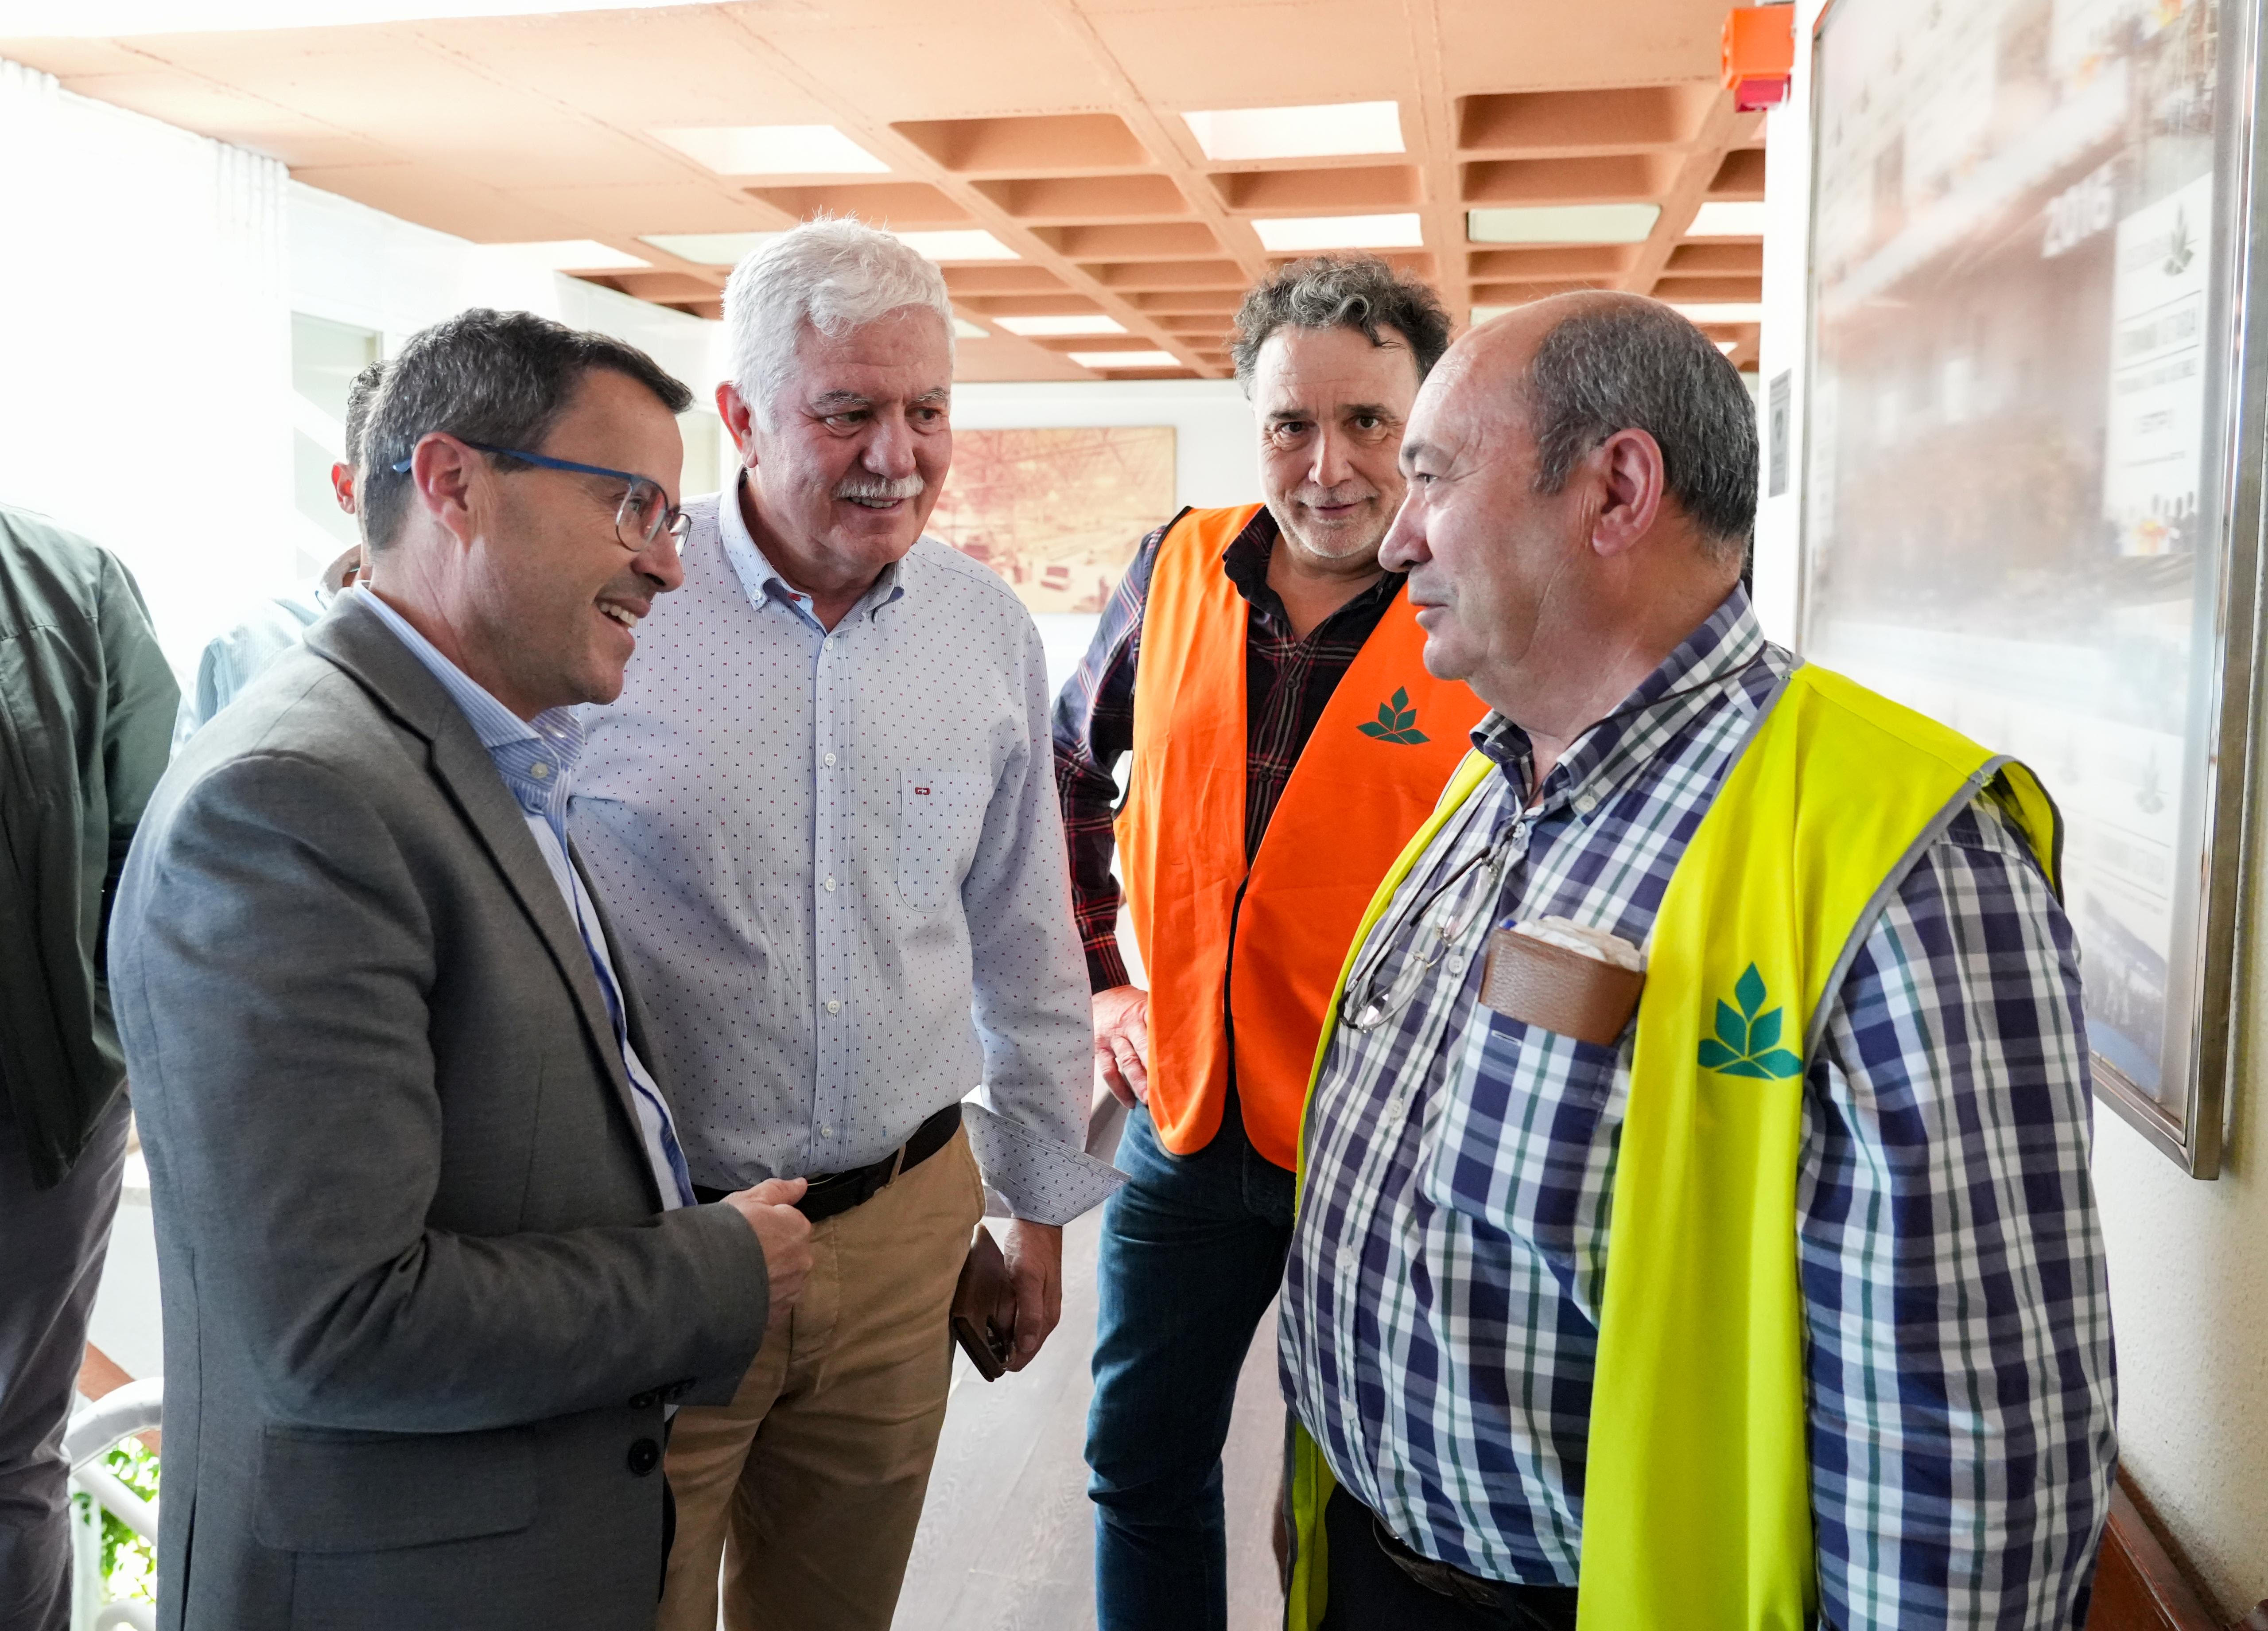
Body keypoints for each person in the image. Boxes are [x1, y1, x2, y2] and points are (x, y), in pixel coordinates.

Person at [1278, 294, 2117, 1631]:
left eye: (1432, 476)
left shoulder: (1906, 868)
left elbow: (1963, 1468)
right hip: (1368, 1565)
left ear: (1615, 490)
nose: (1395, 536)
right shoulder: (1486, 787)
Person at [109, 309, 814, 1631]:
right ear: (451, 484)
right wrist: (716, 1271)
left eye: (671, 519)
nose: (668, 567)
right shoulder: (293, 803)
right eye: (631, 507)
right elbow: (342, 1322)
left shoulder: (472, 756)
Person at [571, 218, 1114, 1631]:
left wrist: (1038, 1215)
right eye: (848, 412)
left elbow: (1025, 941)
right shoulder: (616, 607)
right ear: (743, 416)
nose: (898, 454)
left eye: (927, 410)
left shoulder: (984, 631)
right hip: (657, 1240)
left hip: (900, 1237)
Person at [1051, 255, 1479, 1631]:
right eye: (1292, 423)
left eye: (1368, 423)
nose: (1328, 466)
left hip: (1388, 1146)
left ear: (1425, 426)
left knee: (1372, 1496)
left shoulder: (1479, 597)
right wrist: (1101, 981)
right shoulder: (1177, 565)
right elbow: (1065, 765)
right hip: (1181, 1125)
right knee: (1140, 1462)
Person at [0, 503, 177, 1631]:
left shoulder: (70, 583)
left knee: (10, 1459)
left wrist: (96, 1050)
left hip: (34, 1123)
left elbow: (151, 860)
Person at [173, 356, 386, 747]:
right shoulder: (244, 647)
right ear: (347, 489)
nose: (430, 496)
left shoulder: (490, 646)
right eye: (400, 470)